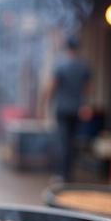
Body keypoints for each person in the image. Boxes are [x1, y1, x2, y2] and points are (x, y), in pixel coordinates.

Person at [42, 36, 92, 181]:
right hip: (77, 109)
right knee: (72, 140)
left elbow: (52, 86)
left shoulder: (61, 65)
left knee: (62, 141)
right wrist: (85, 104)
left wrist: (45, 103)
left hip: (62, 108)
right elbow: (88, 88)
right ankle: (69, 173)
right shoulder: (84, 65)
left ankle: (61, 174)